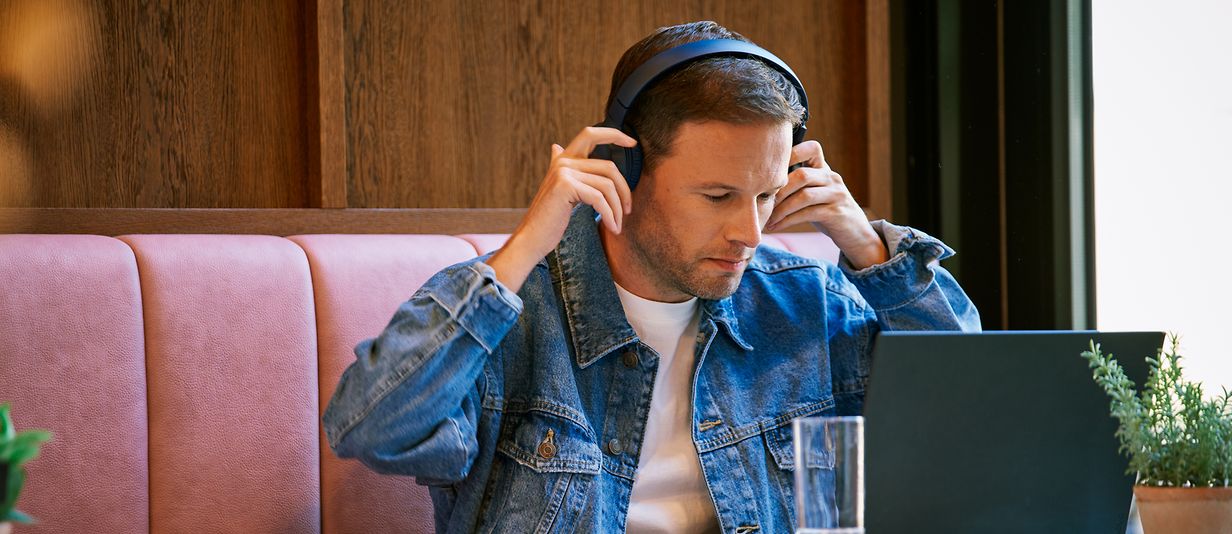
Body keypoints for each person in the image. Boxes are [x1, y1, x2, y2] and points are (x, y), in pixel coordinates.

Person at [322, 20, 980, 534]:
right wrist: (523, 250)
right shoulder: (514, 320)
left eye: (765, 196)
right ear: (624, 171)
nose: (750, 234)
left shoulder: (804, 301)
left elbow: (971, 408)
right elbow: (371, 427)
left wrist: (867, 250)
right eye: (718, 197)